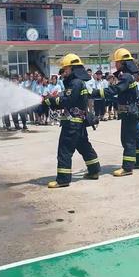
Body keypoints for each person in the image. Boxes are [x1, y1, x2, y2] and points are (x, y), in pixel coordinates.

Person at [44, 53, 101, 188]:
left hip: (72, 123)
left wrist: (51, 100)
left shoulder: (75, 83)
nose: (64, 72)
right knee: (84, 147)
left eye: (65, 69)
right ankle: (94, 171)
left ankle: (63, 180)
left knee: (64, 150)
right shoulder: (77, 83)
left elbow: (68, 101)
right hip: (78, 123)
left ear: (71, 68)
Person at [93, 48, 139, 176]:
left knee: (127, 139)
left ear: (123, 63)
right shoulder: (130, 76)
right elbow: (122, 93)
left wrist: (95, 93)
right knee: (137, 136)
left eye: (117, 62)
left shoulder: (126, 76)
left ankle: (127, 167)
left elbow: (115, 90)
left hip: (129, 112)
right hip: (131, 110)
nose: (115, 64)